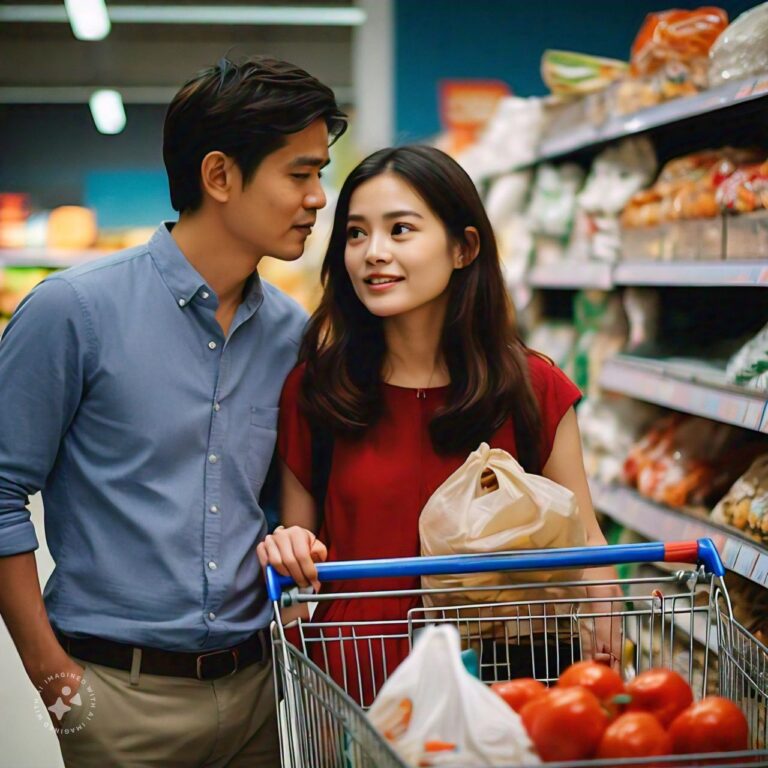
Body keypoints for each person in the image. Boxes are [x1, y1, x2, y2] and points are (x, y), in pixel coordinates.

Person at [0, 56, 346, 766]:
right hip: (118, 697)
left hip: (256, 694)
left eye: (321, 173)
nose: (318, 197)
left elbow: (280, 501)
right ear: (219, 177)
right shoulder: (75, 310)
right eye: (299, 173)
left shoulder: (291, 334)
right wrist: (56, 683)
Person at [258, 145, 621, 706]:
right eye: (355, 234)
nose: (373, 253)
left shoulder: (532, 389)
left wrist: (604, 612)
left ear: (463, 247)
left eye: (400, 229)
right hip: (359, 687)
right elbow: (303, 551)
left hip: (504, 687)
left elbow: (586, 534)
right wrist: (288, 546)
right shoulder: (315, 391)